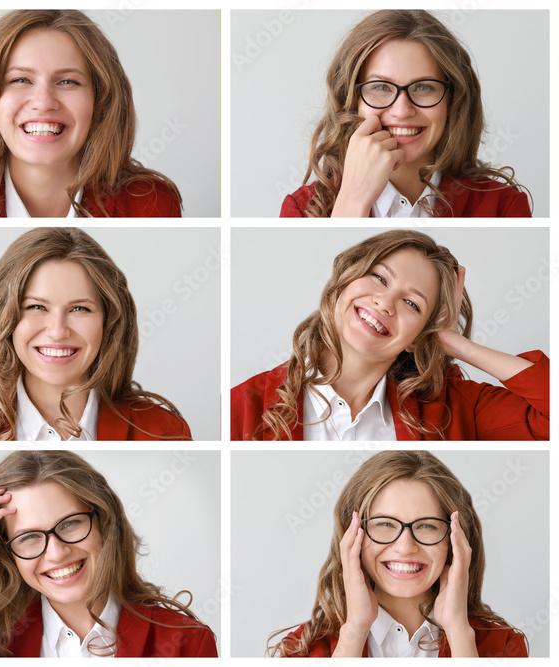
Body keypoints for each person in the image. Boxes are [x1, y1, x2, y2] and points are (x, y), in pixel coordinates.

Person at [231, 230, 548, 440]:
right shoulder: (243, 407)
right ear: (345, 282)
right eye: (379, 278)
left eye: (412, 303)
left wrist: (459, 345)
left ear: (418, 336)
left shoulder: (457, 409)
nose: (384, 303)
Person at [0, 450, 215, 657]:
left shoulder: (187, 642)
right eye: (29, 537)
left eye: (70, 523)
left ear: (104, 522)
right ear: (8, 553)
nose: (57, 552)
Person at [0, 10, 181, 218]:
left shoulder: (153, 204)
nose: (43, 102)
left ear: (101, 100)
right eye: (20, 80)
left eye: (68, 82)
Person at [0, 228, 191, 441]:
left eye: (80, 308)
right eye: (36, 307)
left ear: (108, 321)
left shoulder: (164, 431)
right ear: (4, 318)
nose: (57, 331)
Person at [269, 450, 527, 657]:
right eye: (384, 524)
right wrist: (355, 631)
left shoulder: (503, 646)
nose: (405, 547)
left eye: (426, 525)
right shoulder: (302, 650)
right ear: (352, 536)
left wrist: (459, 633)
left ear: (455, 540)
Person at [281, 10, 530, 218]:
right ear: (352, 99)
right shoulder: (300, 210)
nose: (401, 111)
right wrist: (352, 201)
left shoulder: (503, 206)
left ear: (453, 100)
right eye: (380, 87)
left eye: (423, 87)